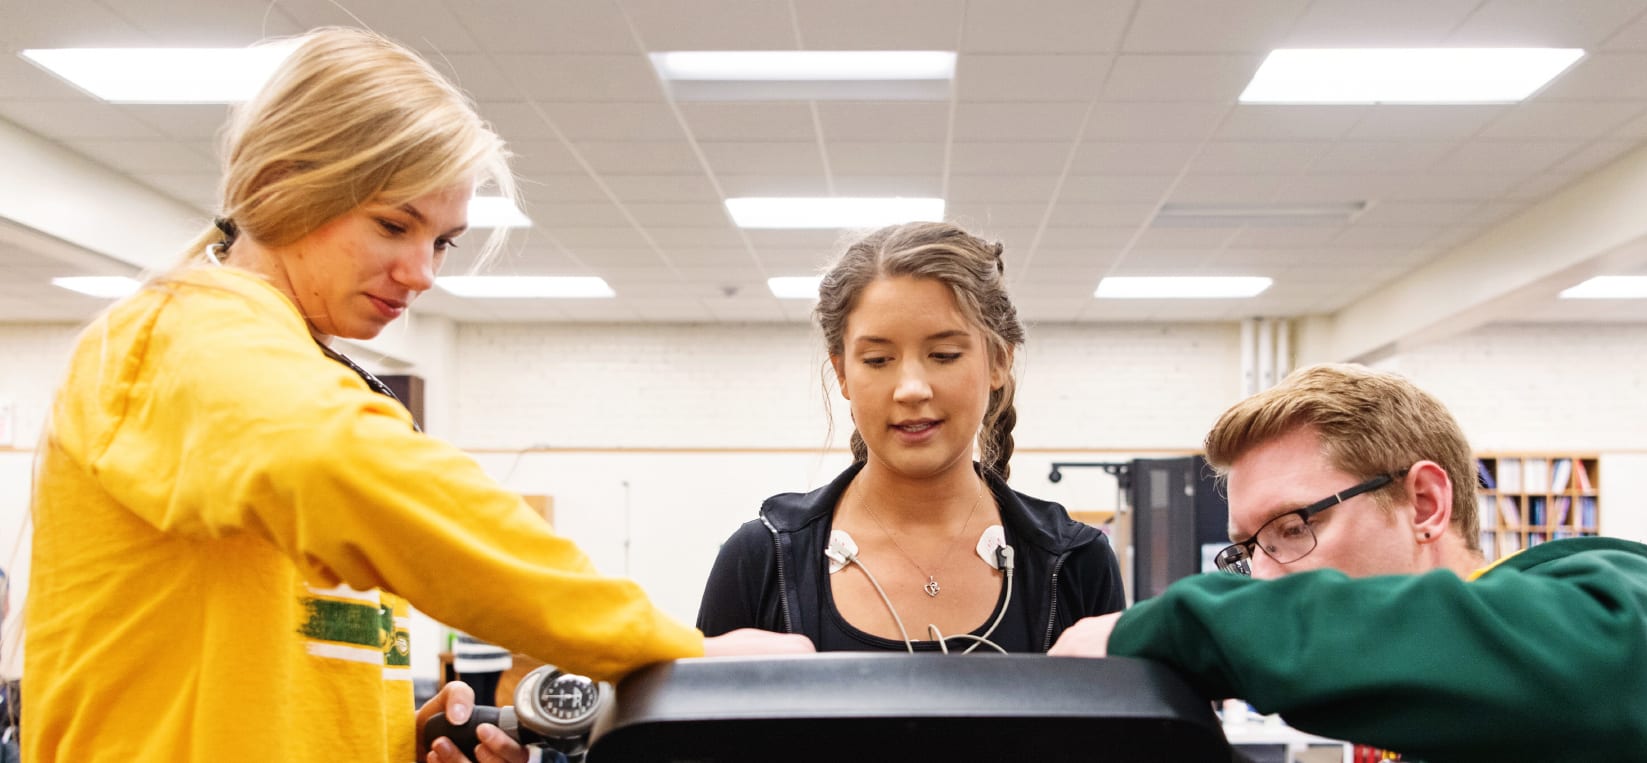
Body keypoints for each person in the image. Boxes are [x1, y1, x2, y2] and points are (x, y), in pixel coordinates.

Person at [21, 27, 808, 763]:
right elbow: (334, 461)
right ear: (277, 184)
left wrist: (401, 739)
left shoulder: (298, 373)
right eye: (394, 225)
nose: (423, 271)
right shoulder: (180, 337)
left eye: (440, 241)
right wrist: (664, 646)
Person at [1050, 363, 1647, 762]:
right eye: (1249, 548)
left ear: (1424, 501)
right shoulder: (1423, 706)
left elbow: (1614, 678)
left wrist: (1159, 629)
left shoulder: (1628, 605)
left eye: (1293, 526)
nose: (1265, 574)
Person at [698, 222, 1124, 654]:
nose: (911, 388)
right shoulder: (763, 560)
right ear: (843, 372)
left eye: (943, 355)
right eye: (878, 359)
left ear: (998, 360)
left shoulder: (1074, 563)